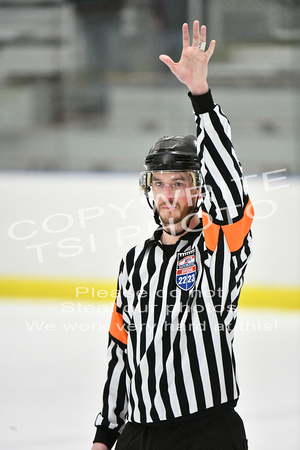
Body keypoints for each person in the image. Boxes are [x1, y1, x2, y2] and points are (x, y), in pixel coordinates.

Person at [91, 21, 253, 450]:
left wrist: (201, 96)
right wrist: (105, 433)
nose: (168, 194)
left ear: (199, 187)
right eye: (159, 183)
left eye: (179, 181)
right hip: (137, 433)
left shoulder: (220, 245)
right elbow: (121, 350)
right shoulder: (134, 261)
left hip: (205, 431)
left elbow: (230, 188)